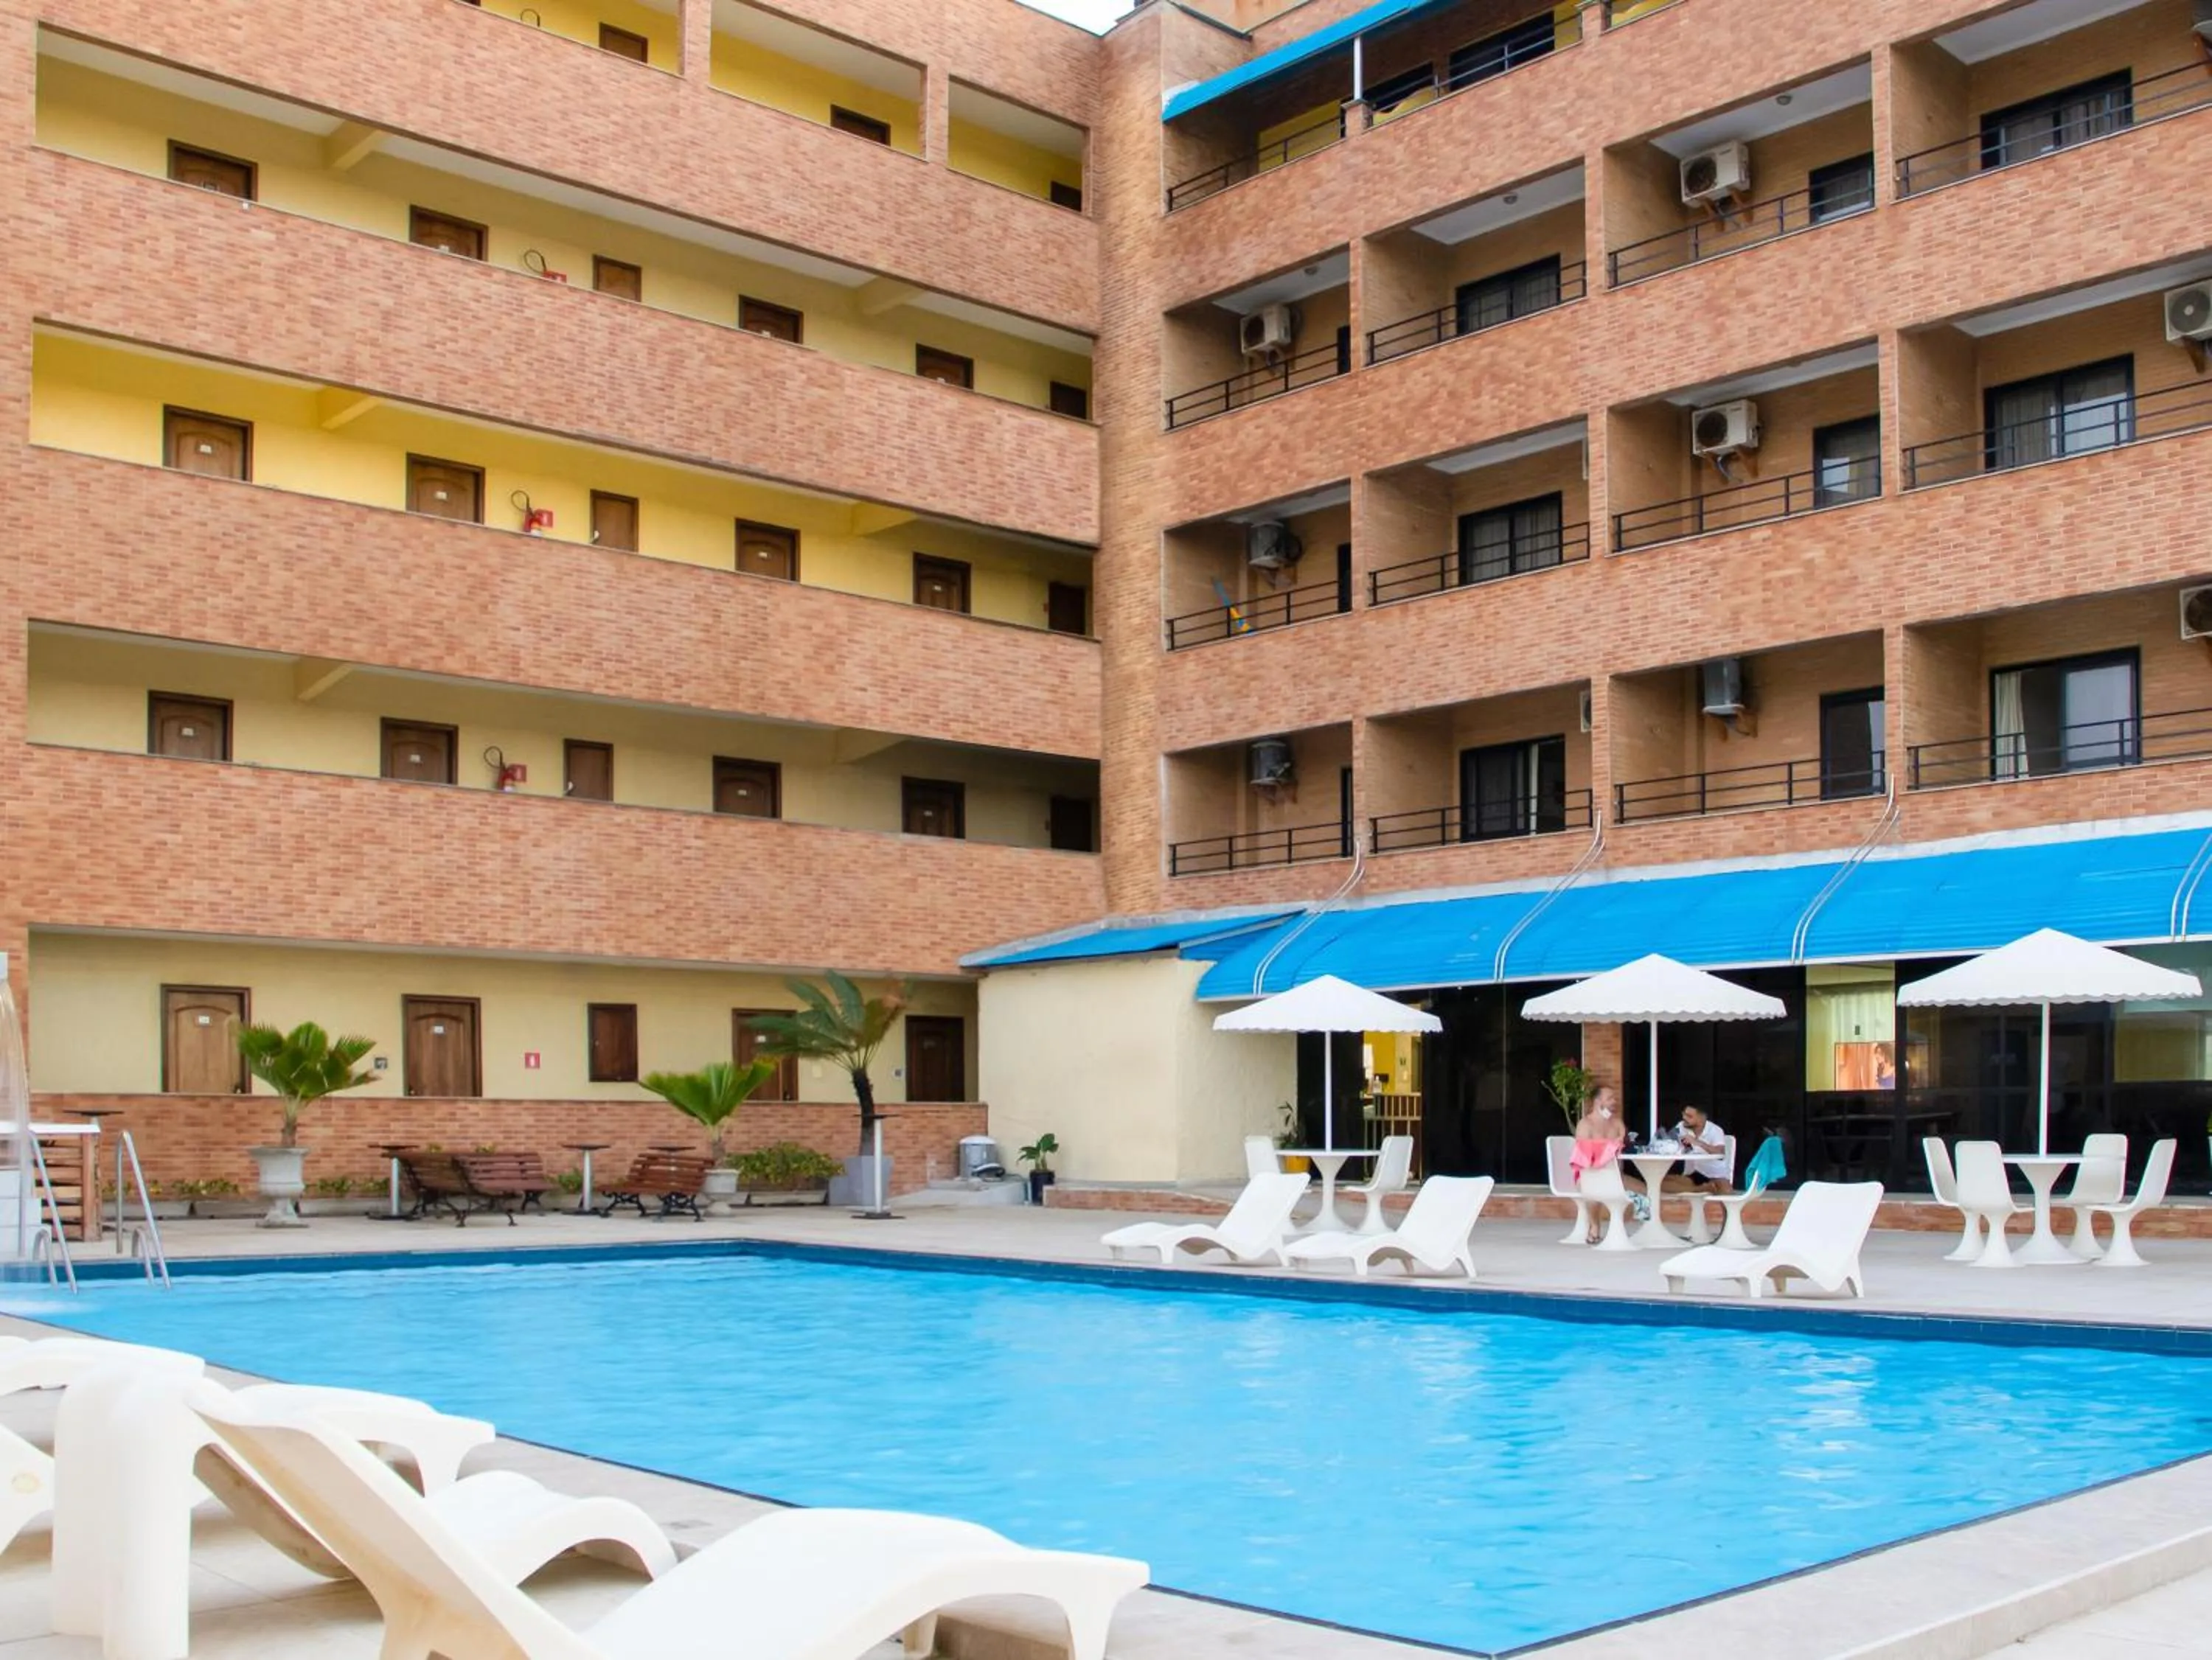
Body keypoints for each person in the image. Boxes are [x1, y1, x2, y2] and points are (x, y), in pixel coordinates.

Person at [1625, 1104, 1730, 1200]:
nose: (1685, 1118)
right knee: (1656, 1182)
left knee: (1726, 1190)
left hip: (1714, 1174)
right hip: (1693, 1172)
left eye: (1689, 1116)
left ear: (1702, 1119)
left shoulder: (1715, 1130)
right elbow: (1671, 1142)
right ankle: (1699, 1189)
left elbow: (1720, 1151)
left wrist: (1697, 1142)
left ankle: (1703, 1190)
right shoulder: (1681, 1126)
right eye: (1684, 1114)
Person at [1569, 1084, 1627, 1244]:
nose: (1614, 1102)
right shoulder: (1585, 1124)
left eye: (1614, 1098)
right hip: (1589, 1175)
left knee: (1644, 1190)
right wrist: (1611, 1145)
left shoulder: (1617, 1123)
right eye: (1610, 1099)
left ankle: (1628, 1230)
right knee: (1594, 1188)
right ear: (1597, 1102)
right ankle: (1594, 1225)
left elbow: (1625, 1148)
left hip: (1615, 1176)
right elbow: (1583, 1157)